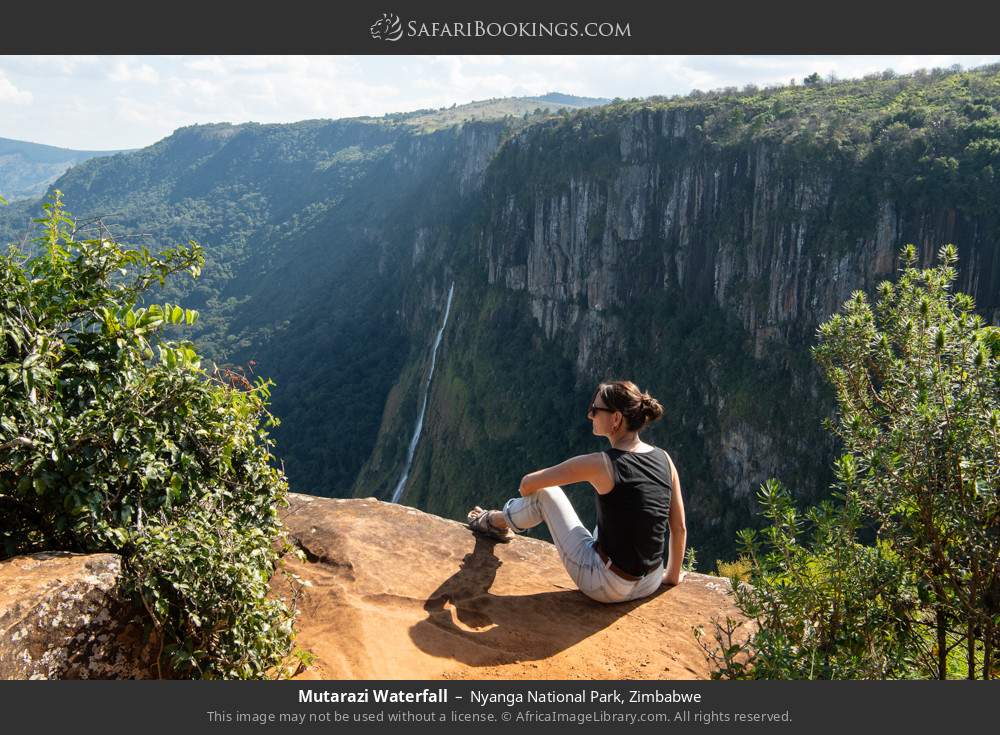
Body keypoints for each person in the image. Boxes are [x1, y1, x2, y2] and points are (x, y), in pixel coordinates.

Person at [467, 380, 687, 604]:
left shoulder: (601, 464)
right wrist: (671, 577)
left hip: (608, 586)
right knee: (618, 517)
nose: (590, 415)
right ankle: (497, 521)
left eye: (595, 409)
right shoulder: (665, 459)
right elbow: (678, 528)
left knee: (546, 495)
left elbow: (526, 485)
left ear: (616, 419)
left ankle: (494, 521)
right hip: (650, 582)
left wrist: (532, 495)